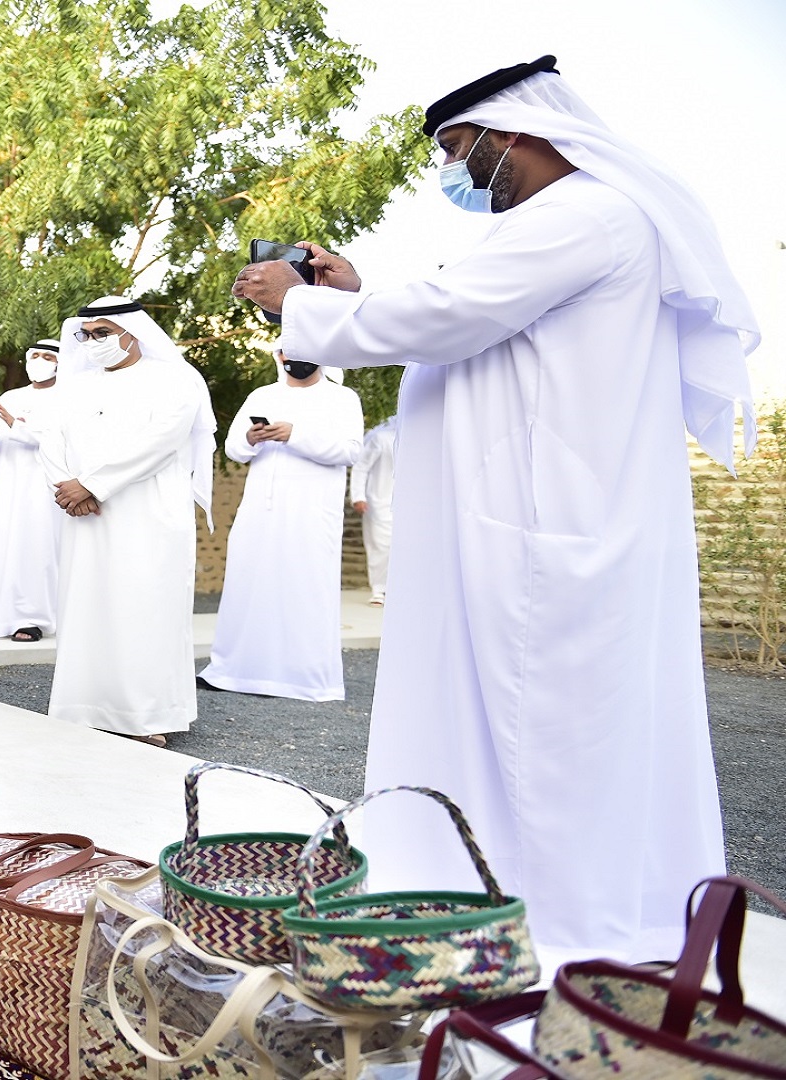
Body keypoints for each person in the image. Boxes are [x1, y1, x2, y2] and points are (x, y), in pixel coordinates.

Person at [232, 56, 758, 961]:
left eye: (458, 151)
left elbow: (450, 316)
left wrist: (309, 303)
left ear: (510, 132)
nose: (457, 174)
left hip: (542, 529)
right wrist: (353, 297)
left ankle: (554, 924)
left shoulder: (590, 214)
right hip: (513, 520)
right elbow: (465, 324)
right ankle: (474, 893)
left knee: (543, 735)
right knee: (495, 727)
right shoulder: (556, 223)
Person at [40, 297, 215, 744]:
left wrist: (94, 485)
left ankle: (146, 716)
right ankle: (83, 706)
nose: (94, 342)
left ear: (133, 332)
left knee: (145, 606)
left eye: (103, 333)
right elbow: (50, 440)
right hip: (83, 514)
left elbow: (163, 440)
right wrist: (66, 486)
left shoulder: (174, 380)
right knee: (87, 605)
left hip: (148, 511)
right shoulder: (75, 386)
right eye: (87, 335)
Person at [198, 355, 363, 702]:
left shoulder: (342, 398)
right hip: (261, 508)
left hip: (312, 512)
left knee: (304, 587)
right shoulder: (262, 395)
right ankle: (234, 670)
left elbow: (350, 451)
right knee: (250, 582)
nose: (295, 360)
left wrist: (295, 435)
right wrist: (251, 437)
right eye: (288, 353)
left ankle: (302, 679)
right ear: (279, 356)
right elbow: (234, 449)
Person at [0, 339, 64, 642]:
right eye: (35, 355)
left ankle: (32, 618)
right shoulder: (10, 396)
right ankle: (0, 616)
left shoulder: (68, 397)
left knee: (35, 549)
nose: (40, 360)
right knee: (1, 544)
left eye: (47, 356)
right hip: (6, 483)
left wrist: (16, 424)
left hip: (42, 486)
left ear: (60, 362)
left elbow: (54, 439)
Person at [350, 413, 399, 605]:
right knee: (380, 546)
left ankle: (397, 588)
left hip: (403, 503)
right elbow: (361, 467)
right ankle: (379, 589)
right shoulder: (381, 438)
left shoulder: (418, 439)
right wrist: (358, 496)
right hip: (378, 501)